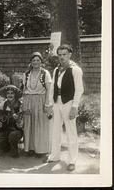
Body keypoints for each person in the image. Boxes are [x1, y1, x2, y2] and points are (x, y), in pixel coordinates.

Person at [44, 44, 84, 172]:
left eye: (64, 54)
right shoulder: (56, 70)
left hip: (69, 102)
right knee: (55, 130)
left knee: (71, 132)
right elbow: (52, 90)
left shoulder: (75, 70)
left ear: (70, 54)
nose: (62, 57)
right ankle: (55, 156)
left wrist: (74, 107)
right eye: (60, 55)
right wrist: (50, 104)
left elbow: (79, 89)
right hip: (57, 102)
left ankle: (72, 160)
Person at [22, 52, 52, 158]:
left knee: (40, 124)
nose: (36, 62)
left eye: (38, 60)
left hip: (41, 99)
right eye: (34, 60)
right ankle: (30, 148)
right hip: (28, 100)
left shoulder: (45, 73)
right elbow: (24, 89)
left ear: (41, 62)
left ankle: (41, 149)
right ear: (31, 62)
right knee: (29, 124)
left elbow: (49, 89)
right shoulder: (26, 74)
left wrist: (47, 103)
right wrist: (24, 104)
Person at [0, 85, 23, 158]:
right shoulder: (4, 103)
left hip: (16, 130)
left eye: (12, 93)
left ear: (15, 94)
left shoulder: (20, 105)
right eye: (8, 93)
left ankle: (14, 150)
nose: (10, 95)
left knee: (13, 135)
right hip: (5, 129)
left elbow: (21, 125)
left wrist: (18, 120)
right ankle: (7, 145)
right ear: (6, 95)